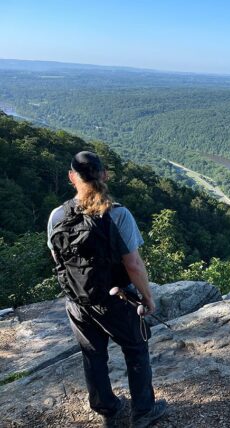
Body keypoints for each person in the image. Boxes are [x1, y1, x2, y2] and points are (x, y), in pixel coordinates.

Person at [47, 151, 167, 428]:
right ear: (104, 175)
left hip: (77, 301)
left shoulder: (56, 216)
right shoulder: (117, 214)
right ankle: (143, 411)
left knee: (93, 353)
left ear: (71, 177)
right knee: (136, 349)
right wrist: (148, 298)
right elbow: (134, 265)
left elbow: (58, 259)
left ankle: (106, 407)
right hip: (117, 298)